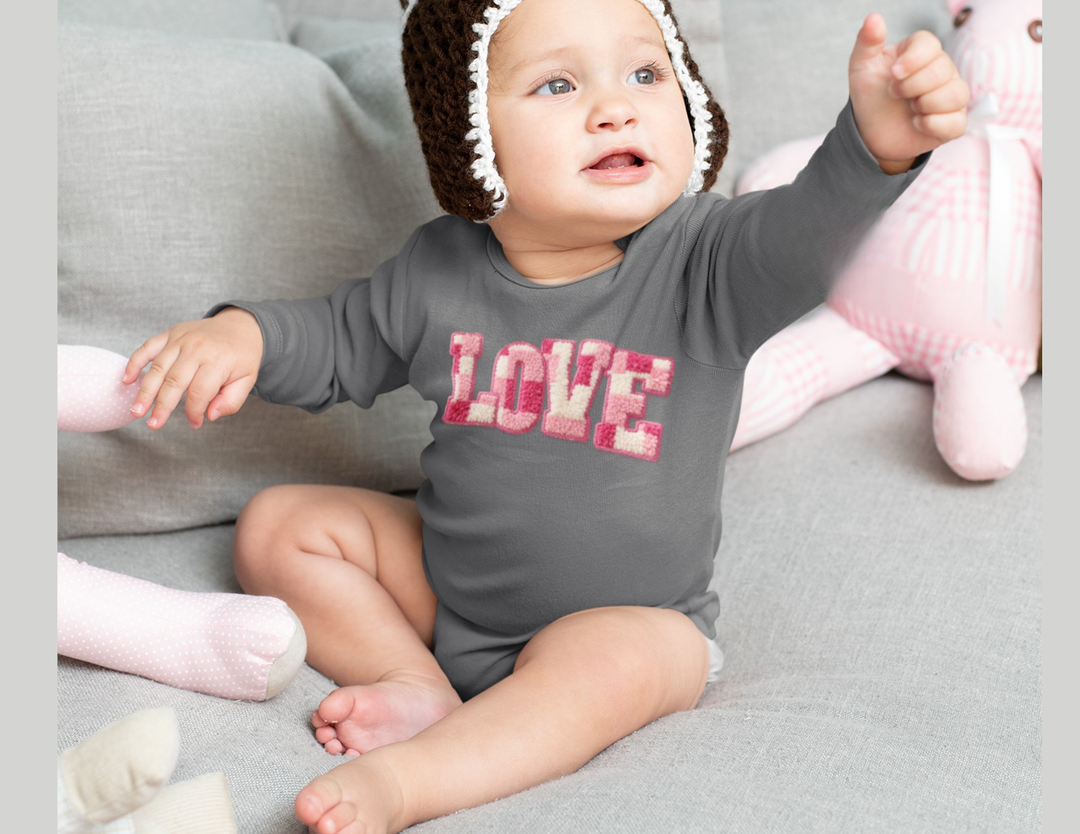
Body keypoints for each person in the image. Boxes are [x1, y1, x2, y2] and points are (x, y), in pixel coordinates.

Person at [122, 0, 970, 831]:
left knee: (617, 664)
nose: (615, 107)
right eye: (559, 85)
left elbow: (804, 234)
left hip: (632, 622)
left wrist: (874, 151)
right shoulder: (438, 271)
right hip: (450, 594)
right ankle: (412, 681)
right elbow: (339, 338)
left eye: (646, 72)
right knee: (280, 523)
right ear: (471, 139)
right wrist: (245, 336)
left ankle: (416, 779)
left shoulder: (707, 264)